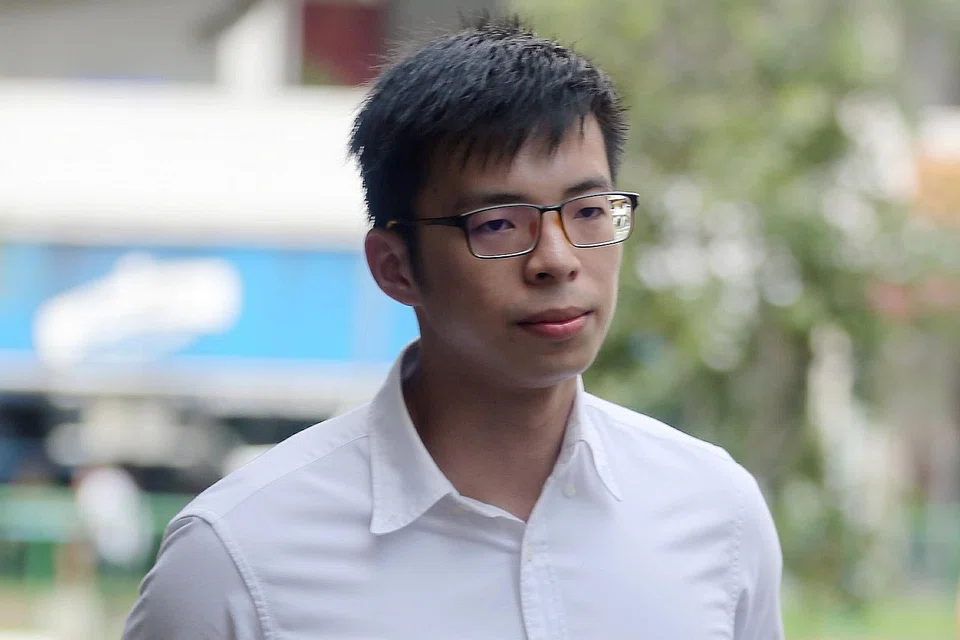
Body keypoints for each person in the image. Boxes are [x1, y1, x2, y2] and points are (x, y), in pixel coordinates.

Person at [123, 15, 783, 639]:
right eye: (497, 224)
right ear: (395, 267)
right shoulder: (236, 559)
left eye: (587, 211)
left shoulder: (715, 513)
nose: (556, 260)